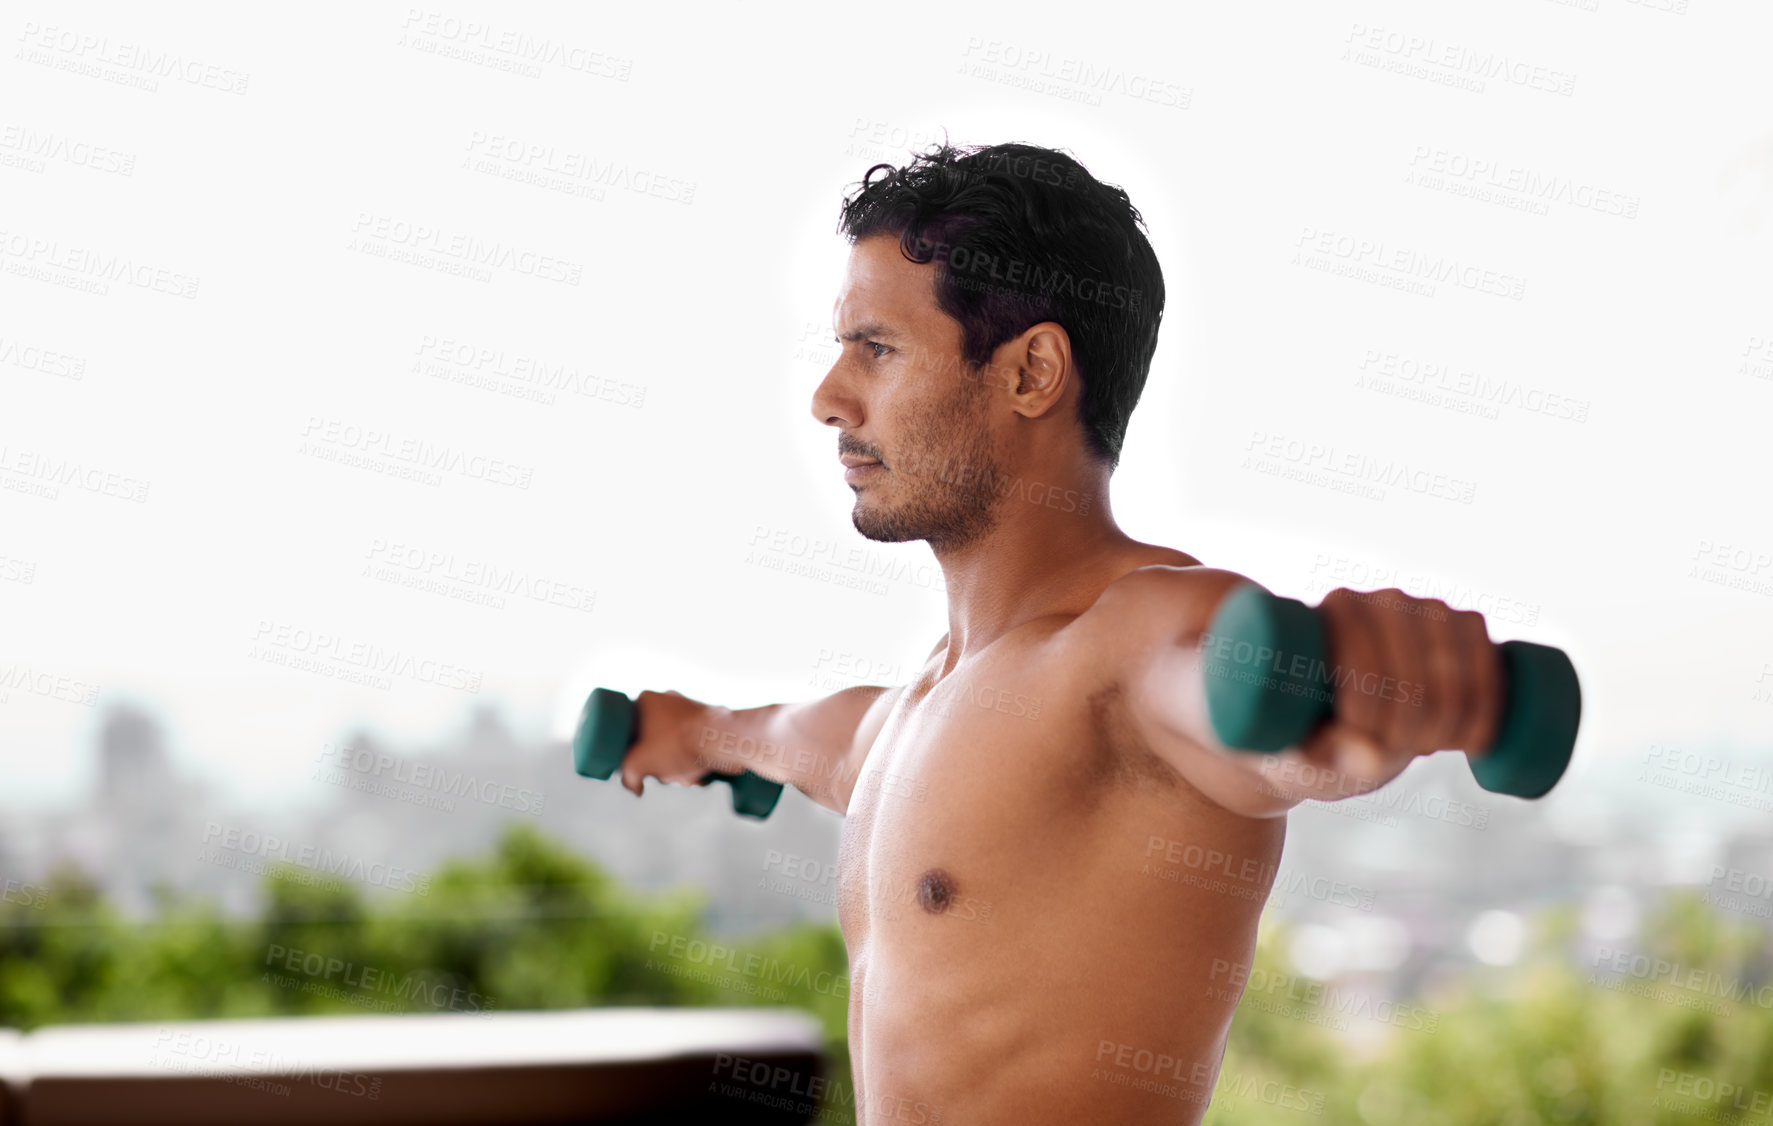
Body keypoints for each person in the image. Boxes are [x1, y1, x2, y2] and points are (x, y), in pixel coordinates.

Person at [621, 141, 1501, 1124]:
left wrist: (1356, 689)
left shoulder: (1141, 636)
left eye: (877, 347)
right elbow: (806, 737)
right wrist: (694, 731)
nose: (829, 397)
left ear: (1032, 369)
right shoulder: (917, 709)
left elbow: (1251, 709)